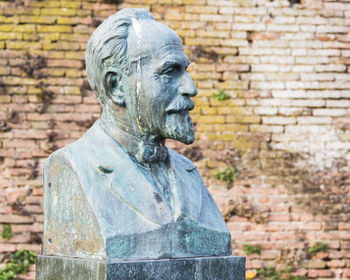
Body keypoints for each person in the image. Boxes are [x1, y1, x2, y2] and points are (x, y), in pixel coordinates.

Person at [42, 8, 231, 261]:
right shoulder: (71, 166)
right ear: (116, 87)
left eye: (186, 71)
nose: (191, 88)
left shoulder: (188, 172)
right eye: (169, 72)